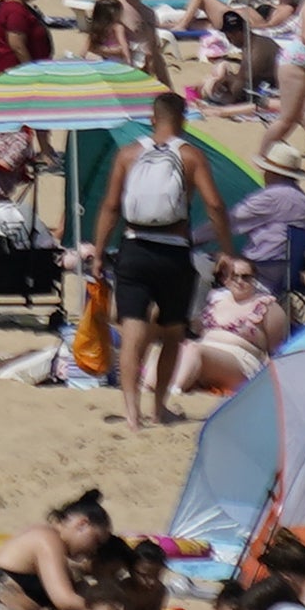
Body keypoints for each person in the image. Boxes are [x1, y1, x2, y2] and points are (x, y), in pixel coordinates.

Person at [102, 90, 213, 427]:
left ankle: (132, 413)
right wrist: (228, 248)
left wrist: (97, 249)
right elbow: (216, 205)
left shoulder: (128, 153)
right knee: (172, 333)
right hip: (174, 250)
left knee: (133, 330)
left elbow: (110, 206)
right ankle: (159, 408)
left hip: (134, 246)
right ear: (183, 120)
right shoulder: (191, 155)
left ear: (153, 118)